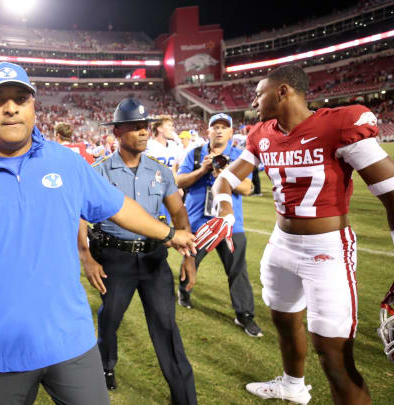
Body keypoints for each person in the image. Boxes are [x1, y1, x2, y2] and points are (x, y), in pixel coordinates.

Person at [0, 62, 197, 405]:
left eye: (20, 97)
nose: (11, 107)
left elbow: (118, 206)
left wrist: (169, 233)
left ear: (33, 105)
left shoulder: (66, 163)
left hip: (71, 342)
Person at [198, 65, 394, 404]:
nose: (254, 100)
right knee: (285, 324)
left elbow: (392, 193)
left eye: (259, 93)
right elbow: (224, 180)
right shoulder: (261, 134)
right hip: (281, 246)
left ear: (283, 91)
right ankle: (292, 386)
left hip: (328, 250)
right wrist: (226, 211)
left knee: (335, 358)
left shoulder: (338, 124)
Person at [78, 97, 197, 404]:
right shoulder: (99, 171)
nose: (143, 132)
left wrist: (189, 256)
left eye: (145, 126)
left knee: (166, 328)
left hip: (154, 259)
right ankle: (105, 366)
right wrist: (87, 257)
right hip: (115, 259)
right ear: (117, 132)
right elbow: (79, 216)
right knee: (110, 318)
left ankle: (184, 397)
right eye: (134, 127)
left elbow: (179, 213)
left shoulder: (161, 171)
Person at [175, 113, 262, 337]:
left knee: (237, 270)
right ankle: (183, 292)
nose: (220, 130)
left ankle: (244, 315)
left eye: (225, 127)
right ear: (209, 131)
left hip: (231, 223)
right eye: (216, 127)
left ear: (232, 132)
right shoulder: (195, 153)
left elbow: (246, 189)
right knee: (191, 261)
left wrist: (226, 174)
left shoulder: (239, 155)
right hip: (198, 221)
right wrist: (202, 171)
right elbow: (179, 182)